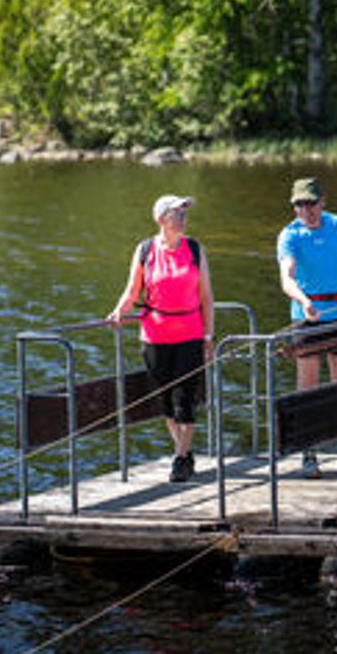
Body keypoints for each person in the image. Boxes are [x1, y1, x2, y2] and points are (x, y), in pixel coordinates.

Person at [108, 194, 214, 483]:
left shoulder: (194, 248)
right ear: (161, 219)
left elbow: (206, 296)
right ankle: (184, 452)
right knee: (165, 399)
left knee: (186, 397)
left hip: (190, 331)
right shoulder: (145, 250)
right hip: (155, 334)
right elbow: (132, 291)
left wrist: (209, 334)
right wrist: (119, 311)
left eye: (184, 213)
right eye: (176, 213)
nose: (182, 218)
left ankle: (180, 457)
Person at [277, 177, 337, 478]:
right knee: (308, 385)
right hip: (307, 319)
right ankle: (309, 452)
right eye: (299, 205)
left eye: (310, 203)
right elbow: (287, 276)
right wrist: (303, 299)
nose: (306, 211)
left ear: (323, 202)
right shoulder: (289, 235)